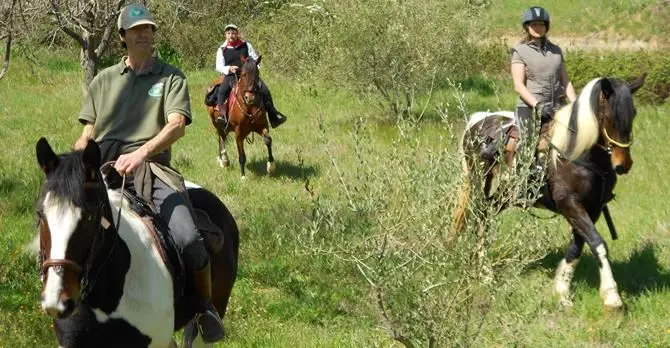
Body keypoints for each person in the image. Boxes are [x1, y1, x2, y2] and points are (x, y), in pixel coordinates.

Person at [73, 4, 225, 343]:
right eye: (137, 29)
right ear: (122, 37)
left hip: (152, 167)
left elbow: (176, 125)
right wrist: (72, 163)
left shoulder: (169, 76)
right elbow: (88, 133)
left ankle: (203, 308)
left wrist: (140, 153)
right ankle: (66, 300)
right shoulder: (104, 80)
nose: (145, 34)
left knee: (188, 236)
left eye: (149, 29)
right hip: (101, 167)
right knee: (65, 229)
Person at [507, 6, 576, 169]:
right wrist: (537, 106)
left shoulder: (556, 51)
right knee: (528, 144)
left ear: (546, 27)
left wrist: (576, 104)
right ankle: (522, 181)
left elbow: (566, 82)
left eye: (541, 24)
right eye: (534, 24)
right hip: (530, 107)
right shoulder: (520, 51)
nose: (538, 28)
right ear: (527, 27)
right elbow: (518, 85)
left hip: (557, 105)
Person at [214, 24, 287, 128]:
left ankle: (273, 116)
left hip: (249, 76)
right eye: (229, 33)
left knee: (265, 90)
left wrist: (255, 69)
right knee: (222, 91)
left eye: (233, 33)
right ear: (225, 35)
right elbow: (218, 66)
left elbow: (255, 59)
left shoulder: (246, 45)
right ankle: (223, 117)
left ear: (237, 33)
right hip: (232, 75)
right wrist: (229, 68)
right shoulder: (222, 49)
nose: (231, 36)